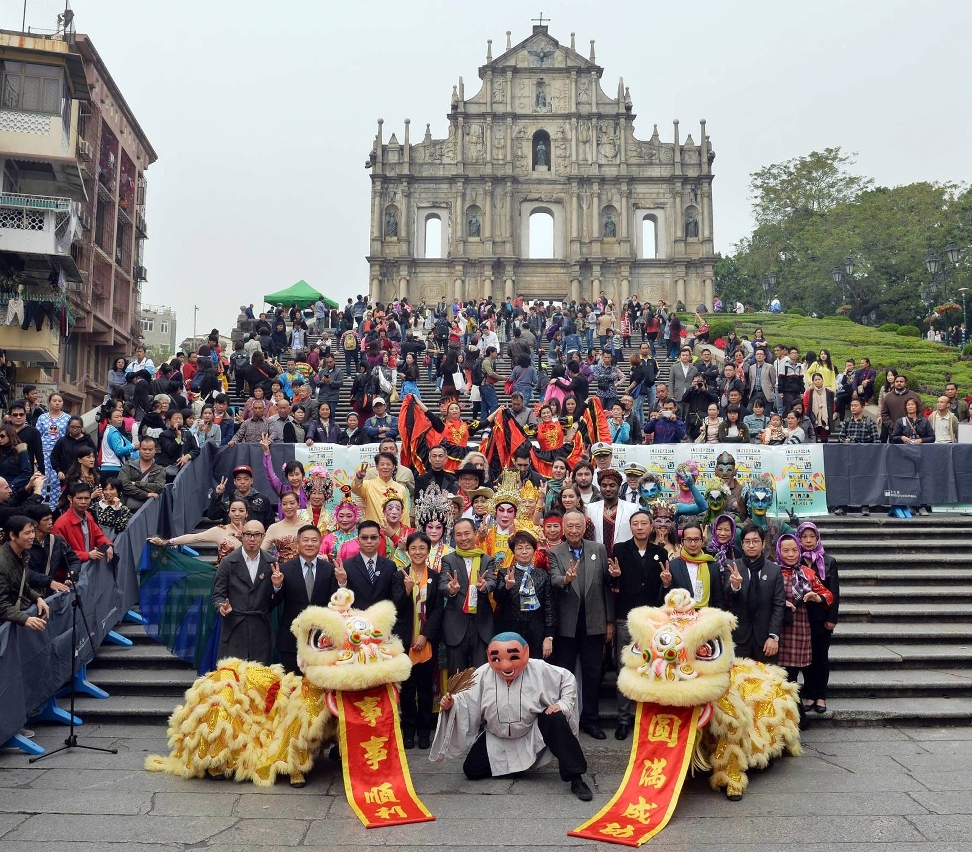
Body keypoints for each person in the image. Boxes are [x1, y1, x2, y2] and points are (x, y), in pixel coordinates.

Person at [430, 631, 593, 801]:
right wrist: (451, 703)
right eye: (496, 659)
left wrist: (562, 704)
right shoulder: (482, 674)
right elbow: (465, 699)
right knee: (471, 770)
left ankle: (576, 778)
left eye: (513, 657)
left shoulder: (539, 668)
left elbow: (567, 679)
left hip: (531, 734)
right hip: (496, 738)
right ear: (488, 656)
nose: (505, 666)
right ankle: (515, 765)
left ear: (526, 652)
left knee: (555, 717)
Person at [548, 509, 614, 739]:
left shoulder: (598, 549)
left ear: (584, 527)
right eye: (570, 526)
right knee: (564, 674)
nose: (574, 530)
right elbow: (554, 579)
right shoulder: (555, 552)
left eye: (578, 526)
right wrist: (566, 579)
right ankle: (565, 718)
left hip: (594, 621)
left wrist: (609, 621)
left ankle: (591, 720)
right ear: (563, 528)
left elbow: (606, 585)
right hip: (567, 624)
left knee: (593, 673)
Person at [607, 510, 669, 740]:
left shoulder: (660, 552)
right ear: (630, 527)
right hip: (626, 617)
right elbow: (609, 582)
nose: (640, 527)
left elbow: (666, 589)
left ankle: (647, 718)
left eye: (644, 523)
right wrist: (614, 575)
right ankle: (624, 719)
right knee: (626, 669)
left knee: (652, 668)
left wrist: (666, 584)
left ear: (652, 526)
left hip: (653, 620)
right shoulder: (620, 550)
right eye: (636, 524)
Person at [391, 530, 444, 749]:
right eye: (414, 548)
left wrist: (425, 635)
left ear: (428, 551)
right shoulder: (399, 575)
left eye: (422, 548)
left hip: (425, 640)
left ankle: (424, 731)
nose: (418, 552)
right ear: (407, 551)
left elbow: (438, 610)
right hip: (404, 640)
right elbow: (395, 608)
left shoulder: (436, 576)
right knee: (406, 688)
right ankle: (408, 730)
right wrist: (406, 591)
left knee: (424, 688)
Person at [776, 533, 832, 726]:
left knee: (797, 670)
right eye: (786, 550)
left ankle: (796, 713)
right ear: (778, 551)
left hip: (801, 627)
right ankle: (794, 714)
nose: (790, 554)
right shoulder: (774, 571)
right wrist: (780, 602)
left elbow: (827, 593)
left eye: (794, 550)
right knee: (785, 673)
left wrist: (818, 598)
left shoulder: (807, 573)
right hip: (779, 628)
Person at [271, 524, 338, 674]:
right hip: (291, 639)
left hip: (322, 638)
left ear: (320, 543)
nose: (309, 544)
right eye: (305, 540)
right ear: (297, 543)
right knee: (292, 686)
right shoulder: (284, 569)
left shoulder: (329, 570)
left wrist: (342, 582)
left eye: (314, 540)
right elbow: (273, 603)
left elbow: (335, 602)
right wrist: (277, 586)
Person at [210, 520, 279, 664]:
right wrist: (221, 606)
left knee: (260, 678)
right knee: (232, 676)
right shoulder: (228, 562)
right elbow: (218, 594)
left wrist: (277, 587)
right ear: (241, 536)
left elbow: (276, 601)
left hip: (261, 629)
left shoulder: (271, 563)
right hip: (234, 626)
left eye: (257, 535)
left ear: (263, 536)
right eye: (248, 534)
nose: (252, 539)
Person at [439, 517, 497, 674]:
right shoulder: (448, 560)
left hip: (482, 626)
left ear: (475, 533)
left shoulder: (487, 560)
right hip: (456, 626)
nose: (463, 538)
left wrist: (485, 586)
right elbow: (443, 584)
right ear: (453, 537)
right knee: (457, 677)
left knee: (482, 675)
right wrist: (450, 589)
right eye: (459, 535)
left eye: (467, 533)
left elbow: (492, 580)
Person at [723, 523, 784, 663]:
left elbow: (778, 604)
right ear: (742, 545)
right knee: (739, 680)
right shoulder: (733, 566)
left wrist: (773, 636)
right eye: (747, 542)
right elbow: (727, 592)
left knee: (766, 680)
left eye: (755, 541)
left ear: (763, 544)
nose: (751, 545)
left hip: (765, 638)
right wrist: (735, 585)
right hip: (739, 637)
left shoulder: (774, 570)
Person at [797, 522, 839, 715]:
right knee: (806, 659)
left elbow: (834, 592)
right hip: (801, 618)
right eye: (804, 536)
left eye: (811, 536)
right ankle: (810, 694)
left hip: (821, 618)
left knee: (821, 658)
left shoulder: (828, 561)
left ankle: (821, 695)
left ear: (817, 538)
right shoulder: (794, 560)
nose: (808, 540)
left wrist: (832, 619)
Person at [0, 515, 51, 630]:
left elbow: (23, 586)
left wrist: (38, 598)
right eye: (27, 533)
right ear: (12, 535)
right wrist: (25, 619)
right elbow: (1, 604)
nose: (32, 536)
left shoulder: (23, 555)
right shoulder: (2, 563)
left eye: (33, 531)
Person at [51, 481, 114, 565]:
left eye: (87, 498)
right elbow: (61, 553)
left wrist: (107, 545)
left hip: (87, 566)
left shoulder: (88, 516)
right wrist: (86, 555)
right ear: (70, 498)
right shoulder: (61, 524)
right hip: (71, 570)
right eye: (79, 498)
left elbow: (98, 536)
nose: (83, 502)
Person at [665, 523, 724, 609]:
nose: (693, 544)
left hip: (706, 617)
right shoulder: (673, 566)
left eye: (696, 539)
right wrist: (666, 584)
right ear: (682, 542)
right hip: (681, 618)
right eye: (689, 540)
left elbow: (718, 600)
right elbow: (666, 600)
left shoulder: (712, 566)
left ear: (702, 541)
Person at [339, 520, 396, 608]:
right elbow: (341, 598)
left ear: (379, 539)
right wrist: (342, 583)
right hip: (356, 618)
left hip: (382, 618)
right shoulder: (347, 566)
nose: (369, 541)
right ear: (358, 540)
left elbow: (392, 597)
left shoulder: (390, 566)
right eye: (364, 538)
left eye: (373, 537)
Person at [207, 463, 275, 529]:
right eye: (239, 479)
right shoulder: (227, 501)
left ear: (251, 481)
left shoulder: (262, 500)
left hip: (254, 538)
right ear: (234, 481)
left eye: (246, 479)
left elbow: (270, 523)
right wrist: (218, 495)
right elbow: (212, 516)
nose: (242, 482)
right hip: (232, 538)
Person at [119, 436, 166, 510]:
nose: (147, 452)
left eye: (150, 449)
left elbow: (159, 487)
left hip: (151, 510)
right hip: (127, 511)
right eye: (144, 449)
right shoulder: (128, 465)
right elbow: (125, 486)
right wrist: (146, 494)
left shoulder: (160, 470)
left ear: (155, 450)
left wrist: (137, 484)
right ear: (139, 449)